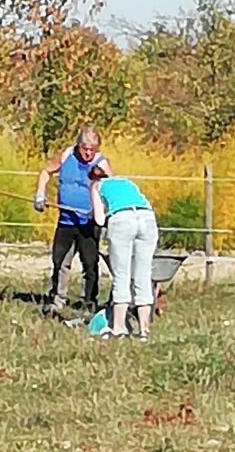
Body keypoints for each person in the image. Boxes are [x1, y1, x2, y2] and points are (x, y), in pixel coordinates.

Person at [33, 125, 112, 311]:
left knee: (90, 264)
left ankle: (89, 302)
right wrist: (40, 194)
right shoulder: (66, 155)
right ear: (78, 146)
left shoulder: (102, 164)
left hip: (89, 223)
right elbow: (46, 172)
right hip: (66, 221)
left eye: (93, 149)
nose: (88, 153)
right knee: (60, 261)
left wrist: (100, 210)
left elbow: (111, 189)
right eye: (85, 149)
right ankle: (57, 299)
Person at [89, 166, 159, 341]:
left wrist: (93, 214)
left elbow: (99, 220)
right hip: (147, 219)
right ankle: (144, 330)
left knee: (121, 276)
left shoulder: (96, 186)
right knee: (143, 275)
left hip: (122, 221)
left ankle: (118, 329)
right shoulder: (126, 181)